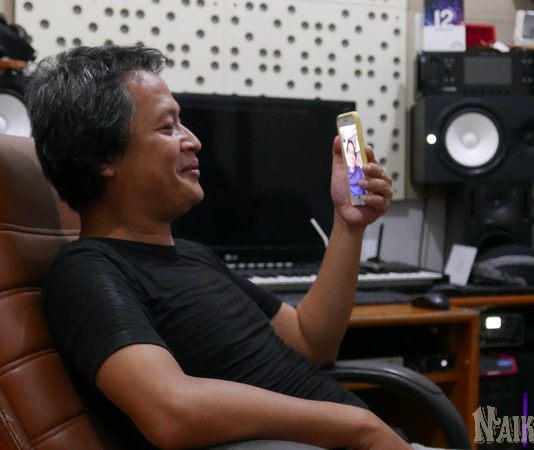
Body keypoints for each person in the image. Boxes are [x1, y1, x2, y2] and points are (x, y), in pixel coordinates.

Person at [24, 45, 436, 450]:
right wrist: (360, 427)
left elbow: (312, 342)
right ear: (101, 155)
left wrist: (348, 224)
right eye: (168, 127)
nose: (193, 140)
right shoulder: (87, 272)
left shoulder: (192, 255)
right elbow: (171, 411)